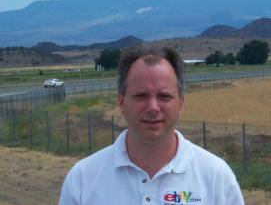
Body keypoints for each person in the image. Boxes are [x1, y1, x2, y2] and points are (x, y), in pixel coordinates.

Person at [59, 45, 244, 205]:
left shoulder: (216, 177)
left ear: (180, 104)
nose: (153, 107)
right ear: (121, 102)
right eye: (141, 96)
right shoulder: (83, 179)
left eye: (164, 96)